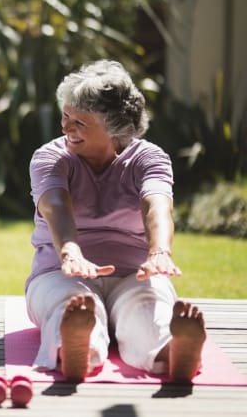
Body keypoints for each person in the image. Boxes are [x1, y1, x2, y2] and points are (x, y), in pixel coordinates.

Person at [25, 59, 206, 383]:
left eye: (79, 122)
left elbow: (157, 205)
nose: (66, 128)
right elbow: (55, 205)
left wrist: (159, 252)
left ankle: (172, 351)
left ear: (114, 127)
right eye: (65, 116)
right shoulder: (50, 156)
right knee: (72, 304)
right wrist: (70, 252)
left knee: (147, 304)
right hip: (61, 271)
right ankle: (76, 348)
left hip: (134, 273)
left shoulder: (148, 158)